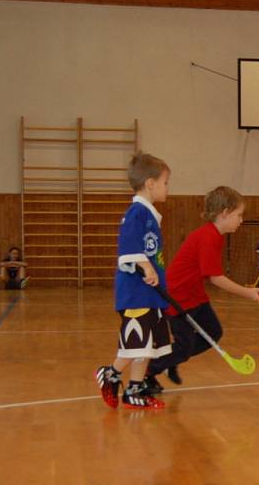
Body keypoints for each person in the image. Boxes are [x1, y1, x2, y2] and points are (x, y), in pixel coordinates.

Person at [145, 186, 259, 391]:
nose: (241, 220)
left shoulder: (215, 235)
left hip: (195, 296)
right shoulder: (207, 236)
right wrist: (248, 293)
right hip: (177, 298)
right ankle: (149, 372)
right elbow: (216, 278)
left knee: (213, 332)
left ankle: (169, 361)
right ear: (224, 213)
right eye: (239, 215)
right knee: (184, 346)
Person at [94, 152, 172, 409]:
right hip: (136, 293)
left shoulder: (150, 214)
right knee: (136, 343)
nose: (166, 188)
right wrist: (146, 266)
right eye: (165, 182)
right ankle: (110, 373)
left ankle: (134, 389)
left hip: (151, 294)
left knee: (148, 346)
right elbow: (127, 247)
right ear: (150, 183)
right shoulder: (136, 212)